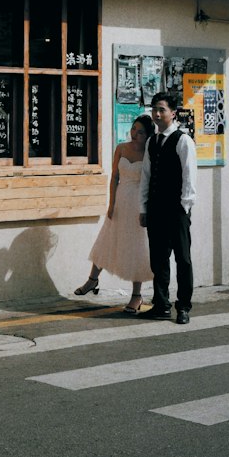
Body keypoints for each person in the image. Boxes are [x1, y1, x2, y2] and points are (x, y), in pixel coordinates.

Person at [75, 114, 154, 313]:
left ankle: (137, 294)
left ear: (148, 135)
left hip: (139, 202)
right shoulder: (121, 148)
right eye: (134, 129)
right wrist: (111, 204)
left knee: (138, 246)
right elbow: (114, 178)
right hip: (121, 200)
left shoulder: (149, 153)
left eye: (141, 131)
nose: (135, 134)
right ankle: (92, 279)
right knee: (108, 239)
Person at [138, 91, 196, 324]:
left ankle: (183, 306)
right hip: (155, 209)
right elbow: (146, 177)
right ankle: (161, 304)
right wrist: (143, 208)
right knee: (158, 259)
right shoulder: (152, 141)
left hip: (177, 209)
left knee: (183, 259)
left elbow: (190, 176)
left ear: (173, 113)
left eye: (162, 109)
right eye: (154, 109)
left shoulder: (183, 140)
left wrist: (185, 206)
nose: (157, 114)